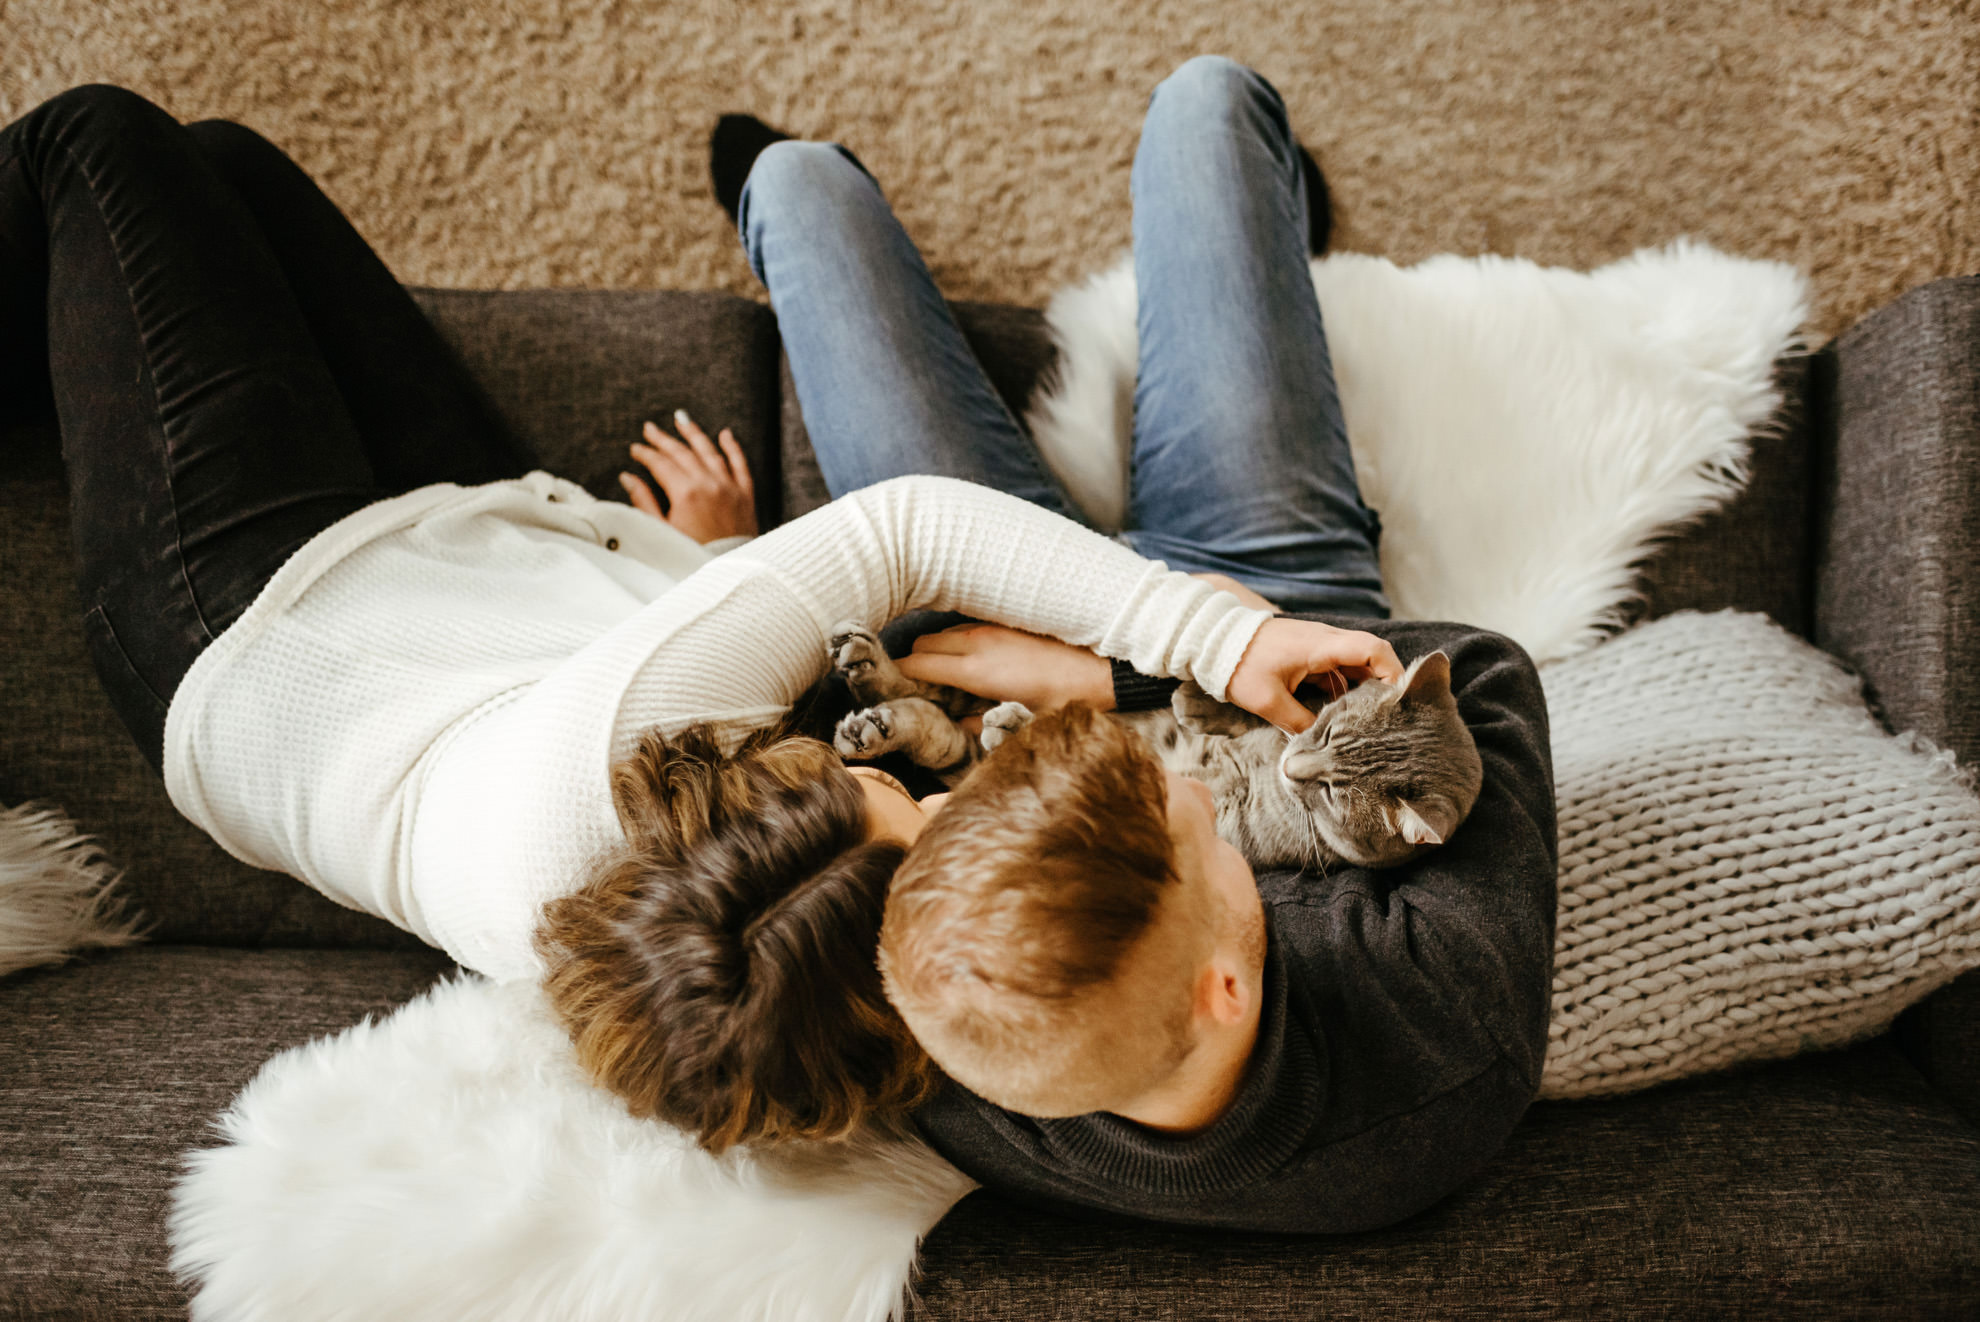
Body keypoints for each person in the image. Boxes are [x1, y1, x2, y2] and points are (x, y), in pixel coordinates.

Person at [0, 80, 1390, 1146]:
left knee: (108, 142)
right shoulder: (780, 959)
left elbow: (904, 524)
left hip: (252, 604)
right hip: (501, 604)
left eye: (880, 793)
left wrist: (1215, 640)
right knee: (229, 174)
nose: (922, 786)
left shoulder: (628, 788)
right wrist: (699, 577)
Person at [544, 53, 1558, 1234]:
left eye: (918, 808)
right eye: (1195, 823)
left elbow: (738, 952)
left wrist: (720, 568)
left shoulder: (915, 1023)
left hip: (981, 656)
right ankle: (1279, 238)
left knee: (797, 184)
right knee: (1208, 105)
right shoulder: (1438, 1023)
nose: (1188, 800)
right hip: (1269, 625)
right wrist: (1140, 670)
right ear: (1228, 984)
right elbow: (1482, 673)